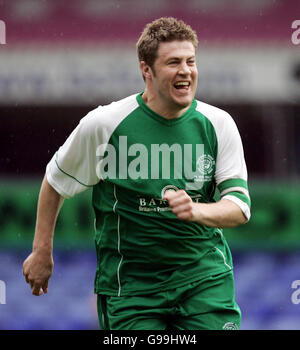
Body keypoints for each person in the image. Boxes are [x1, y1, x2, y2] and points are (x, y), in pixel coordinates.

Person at [23, 17, 251, 330]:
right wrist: (41, 252)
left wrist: (197, 210)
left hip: (203, 278)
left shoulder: (218, 123)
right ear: (147, 70)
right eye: (173, 62)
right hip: (131, 288)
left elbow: (239, 206)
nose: (185, 70)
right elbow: (55, 181)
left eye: (190, 61)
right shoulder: (104, 124)